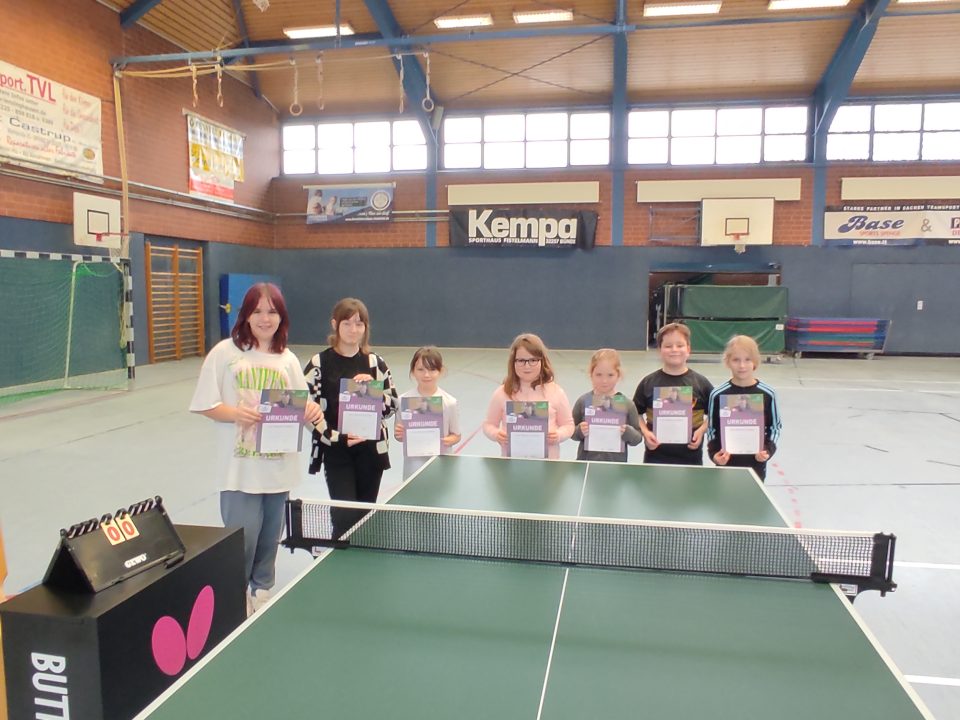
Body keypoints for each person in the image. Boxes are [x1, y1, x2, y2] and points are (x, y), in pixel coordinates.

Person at [189, 283, 323, 615]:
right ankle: (234, 595)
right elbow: (205, 404)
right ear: (246, 315)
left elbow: (301, 407)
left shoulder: (288, 359)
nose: (265, 318)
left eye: (272, 311)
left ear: (282, 317)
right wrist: (236, 414)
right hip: (239, 469)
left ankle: (262, 589)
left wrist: (312, 412)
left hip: (279, 466)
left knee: (270, 537)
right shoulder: (225, 353)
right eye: (258, 311)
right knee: (243, 537)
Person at [303, 298, 398, 538]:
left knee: (364, 520)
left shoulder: (375, 363)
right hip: (337, 451)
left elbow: (392, 406)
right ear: (335, 324)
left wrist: (375, 392)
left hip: (371, 452)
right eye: (346, 323)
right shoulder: (318, 364)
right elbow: (307, 412)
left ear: (365, 327)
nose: (353, 330)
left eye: (359, 324)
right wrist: (337, 438)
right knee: (344, 518)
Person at [632, 322, 714, 465]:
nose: (674, 350)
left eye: (680, 345)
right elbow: (636, 414)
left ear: (688, 349)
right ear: (660, 350)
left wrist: (701, 431)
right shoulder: (648, 382)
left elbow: (715, 414)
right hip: (655, 458)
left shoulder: (701, 383)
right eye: (668, 346)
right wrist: (646, 433)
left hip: (691, 459)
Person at [483, 333, 574, 459]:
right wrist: (496, 434)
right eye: (521, 361)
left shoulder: (556, 392)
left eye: (533, 360)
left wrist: (558, 435)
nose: (527, 366)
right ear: (513, 362)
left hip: (548, 464)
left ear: (542, 361)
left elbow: (569, 425)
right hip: (511, 463)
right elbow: (488, 425)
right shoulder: (502, 393)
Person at [707, 335, 782, 481]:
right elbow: (712, 429)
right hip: (725, 465)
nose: (742, 365)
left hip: (756, 466)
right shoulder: (717, 394)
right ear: (728, 362)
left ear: (755, 362)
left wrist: (767, 450)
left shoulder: (768, 393)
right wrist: (714, 454)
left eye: (747, 359)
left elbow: (775, 428)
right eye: (736, 360)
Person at [394, 346, 462, 479]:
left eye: (432, 369)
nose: (426, 375)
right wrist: (400, 434)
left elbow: (456, 435)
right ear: (413, 371)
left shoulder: (449, 402)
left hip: (441, 466)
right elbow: (399, 436)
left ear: (440, 371)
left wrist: (446, 441)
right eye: (421, 369)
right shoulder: (403, 401)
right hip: (413, 468)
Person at [572, 349, 643, 462]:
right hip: (586, 463)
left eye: (610, 375)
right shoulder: (583, 401)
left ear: (618, 375)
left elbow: (637, 439)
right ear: (591, 374)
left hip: (617, 466)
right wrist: (579, 430)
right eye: (598, 375)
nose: (604, 380)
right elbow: (571, 432)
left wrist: (628, 432)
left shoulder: (627, 405)